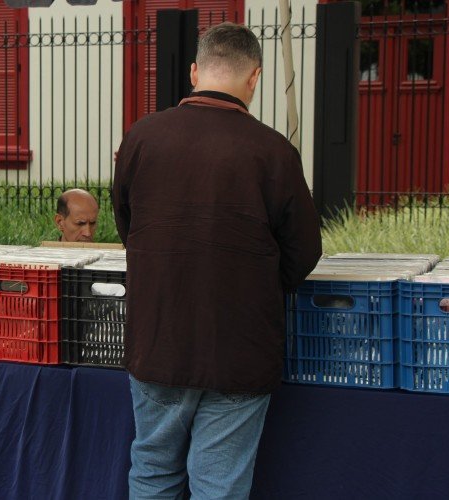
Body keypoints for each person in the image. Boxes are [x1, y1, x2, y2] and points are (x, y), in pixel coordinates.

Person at [112, 22, 321, 499]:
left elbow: (129, 228)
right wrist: (257, 284)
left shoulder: (142, 138)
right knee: (219, 484)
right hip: (240, 345)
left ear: (194, 72)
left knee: (152, 468)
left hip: (159, 338)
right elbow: (303, 250)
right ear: (255, 78)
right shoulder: (274, 151)